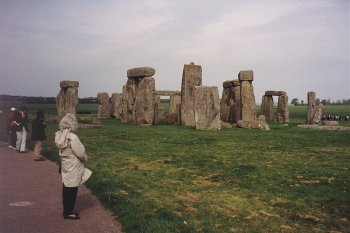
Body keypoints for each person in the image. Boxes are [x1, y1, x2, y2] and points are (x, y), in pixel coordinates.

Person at [54, 113, 92, 220]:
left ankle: (67, 210)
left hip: (65, 163)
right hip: (74, 165)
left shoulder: (59, 134)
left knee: (66, 187)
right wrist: (85, 158)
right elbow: (80, 153)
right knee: (72, 189)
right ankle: (68, 212)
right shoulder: (73, 137)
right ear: (73, 124)